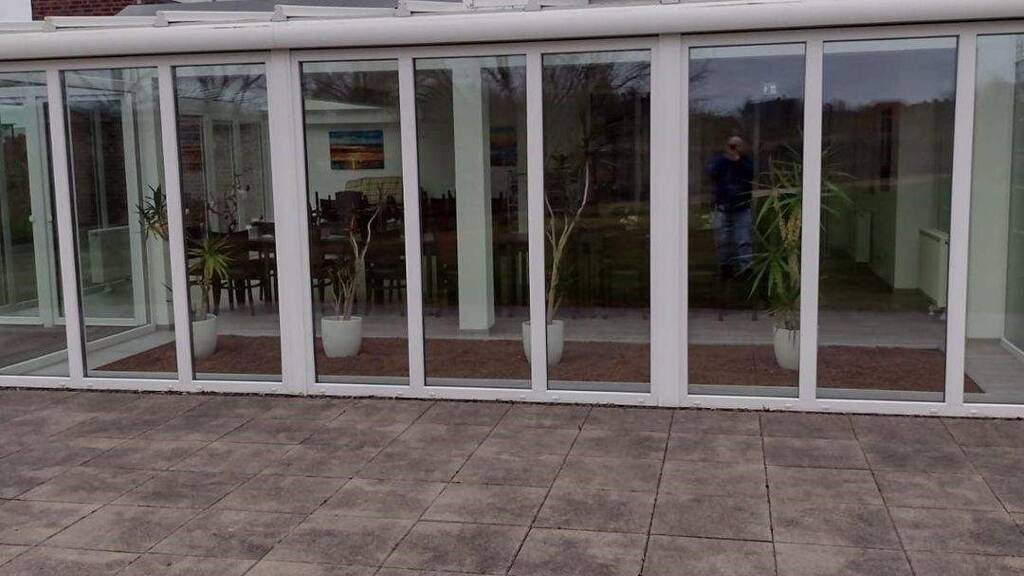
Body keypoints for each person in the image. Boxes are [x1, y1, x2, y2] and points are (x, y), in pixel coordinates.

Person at [707, 135, 755, 278]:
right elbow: (711, 172)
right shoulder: (720, 161)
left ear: (742, 146)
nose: (734, 148)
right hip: (723, 207)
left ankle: (747, 269)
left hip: (742, 208)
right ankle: (725, 267)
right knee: (722, 241)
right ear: (726, 146)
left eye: (737, 145)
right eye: (731, 145)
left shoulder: (746, 162)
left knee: (744, 240)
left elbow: (751, 174)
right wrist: (727, 158)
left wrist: (738, 160)